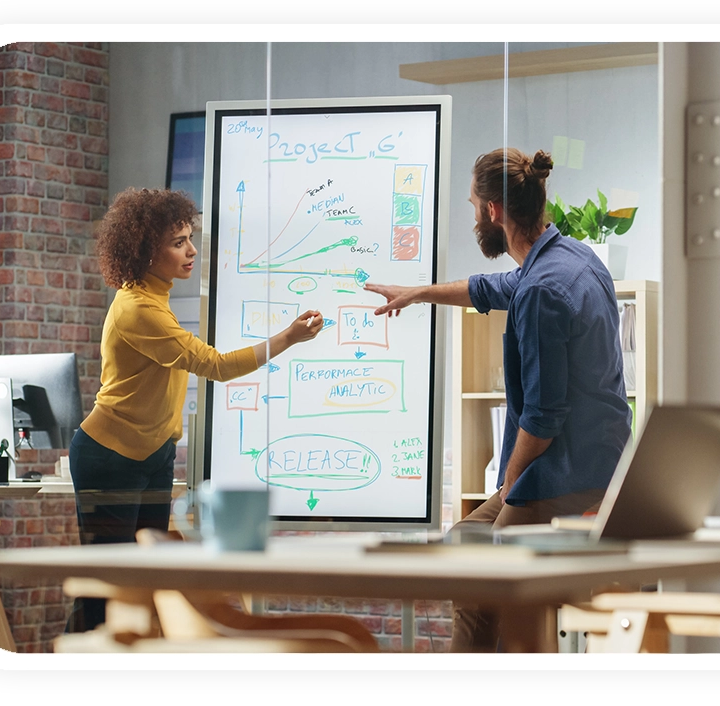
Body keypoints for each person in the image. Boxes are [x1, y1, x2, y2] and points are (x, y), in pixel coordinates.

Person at [365, 147, 631, 652]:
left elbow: (543, 418)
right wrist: (417, 293)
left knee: (497, 586)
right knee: (466, 548)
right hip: (604, 460)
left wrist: (509, 483)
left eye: (472, 207)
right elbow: (492, 288)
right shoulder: (572, 259)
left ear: (492, 212)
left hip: (568, 471)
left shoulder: (542, 291)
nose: (473, 220)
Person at [66, 188, 324, 632]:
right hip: (110, 455)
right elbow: (216, 366)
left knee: (147, 578)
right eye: (177, 242)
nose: (191, 251)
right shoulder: (139, 309)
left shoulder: (155, 295)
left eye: (190, 238)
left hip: (153, 454)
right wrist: (288, 338)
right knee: (109, 584)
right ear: (147, 251)